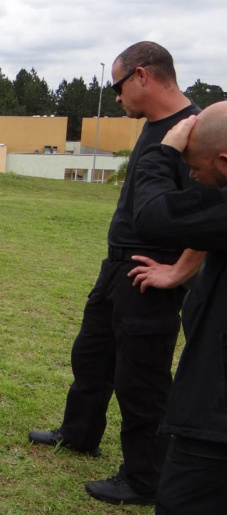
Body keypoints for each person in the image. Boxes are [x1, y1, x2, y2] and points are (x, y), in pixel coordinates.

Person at [27, 42, 204, 506]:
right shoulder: (154, 126)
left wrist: (177, 272)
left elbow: (212, 212)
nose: (117, 97)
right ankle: (79, 433)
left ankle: (144, 479)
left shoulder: (196, 130)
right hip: (117, 267)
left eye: (118, 86)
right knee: (91, 354)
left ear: (142, 76)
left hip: (149, 276)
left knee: (141, 380)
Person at [130, 103, 227, 514]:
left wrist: (164, 151)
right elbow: (206, 226)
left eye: (195, 167)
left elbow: (153, 215)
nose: (192, 177)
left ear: (224, 161)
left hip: (214, 419)